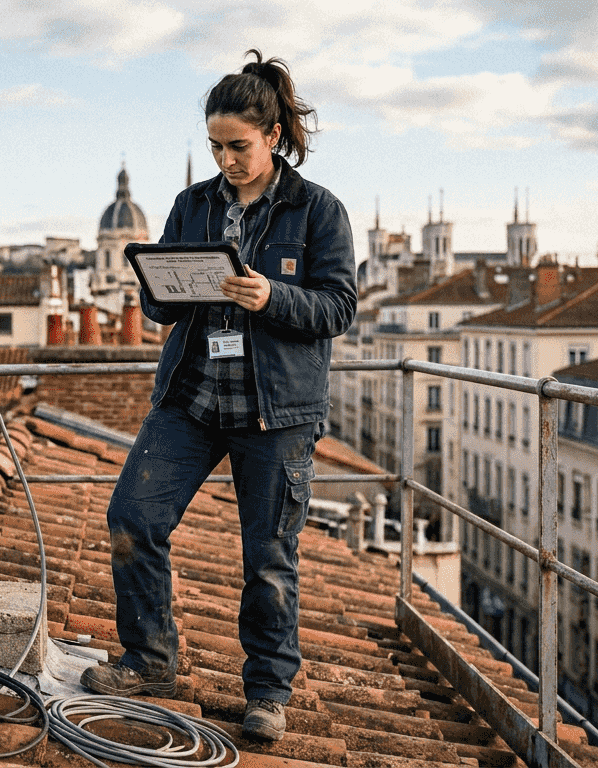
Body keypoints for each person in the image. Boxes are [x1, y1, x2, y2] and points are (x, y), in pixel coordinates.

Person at [80, 50, 356, 742]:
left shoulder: (318, 210)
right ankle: (149, 660)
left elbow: (338, 307)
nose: (227, 160)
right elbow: (161, 309)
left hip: (275, 412)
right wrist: (160, 286)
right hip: (192, 401)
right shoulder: (191, 205)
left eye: (238, 146)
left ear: (273, 138)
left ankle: (267, 692)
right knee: (131, 518)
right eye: (216, 147)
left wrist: (271, 296)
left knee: (268, 558)